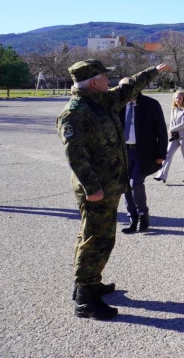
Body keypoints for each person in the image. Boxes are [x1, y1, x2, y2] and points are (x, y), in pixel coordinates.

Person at [56, 59, 171, 320]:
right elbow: (76, 155)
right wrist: (92, 187)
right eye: (104, 78)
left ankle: (89, 281)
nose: (109, 81)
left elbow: (129, 87)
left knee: (96, 236)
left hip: (109, 186)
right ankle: (85, 299)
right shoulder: (76, 113)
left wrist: (154, 70)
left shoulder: (101, 101)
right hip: (96, 189)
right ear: (94, 82)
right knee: (95, 239)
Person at [118, 78, 168, 234]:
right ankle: (132, 218)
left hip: (143, 152)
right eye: (122, 88)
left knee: (135, 183)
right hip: (124, 152)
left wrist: (161, 153)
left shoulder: (151, 104)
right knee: (125, 185)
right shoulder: (117, 105)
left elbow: (161, 130)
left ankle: (143, 215)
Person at [155, 90, 184, 183]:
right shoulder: (174, 109)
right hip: (175, 137)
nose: (177, 100)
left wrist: (171, 129)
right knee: (167, 154)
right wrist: (170, 130)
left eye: (180, 98)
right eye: (176, 98)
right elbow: (172, 122)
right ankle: (161, 175)